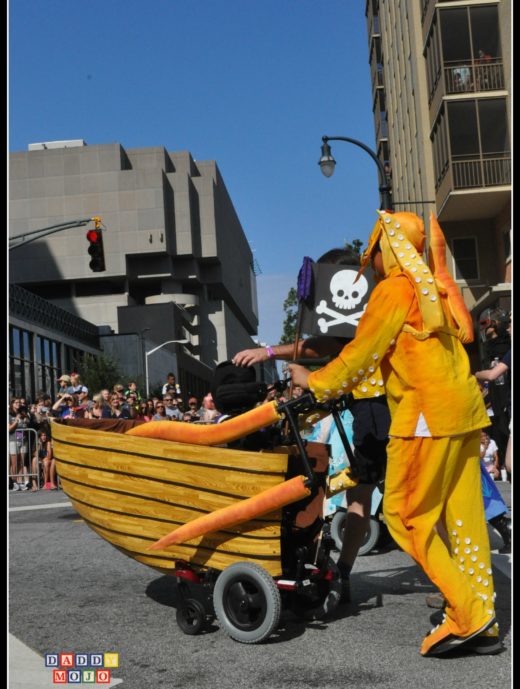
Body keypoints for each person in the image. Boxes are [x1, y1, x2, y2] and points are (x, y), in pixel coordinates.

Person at [289, 211, 500, 657]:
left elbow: (360, 354)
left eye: (376, 251)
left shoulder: (394, 291)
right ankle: (483, 613)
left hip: (425, 415)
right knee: (461, 520)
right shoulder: (435, 290)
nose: (375, 262)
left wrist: (315, 383)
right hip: (462, 411)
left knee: (406, 515)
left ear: (387, 247)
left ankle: (468, 615)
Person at [233, 247, 391, 603]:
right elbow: (324, 344)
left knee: (391, 504)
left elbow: (347, 360)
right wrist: (271, 353)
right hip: (361, 413)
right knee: (355, 493)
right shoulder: (350, 319)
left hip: (383, 412)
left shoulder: (379, 310)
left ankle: (459, 594)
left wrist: (311, 378)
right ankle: (342, 572)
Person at [475, 344, 511, 476]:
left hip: (501, 413)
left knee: (510, 464)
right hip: (497, 414)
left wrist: (475, 374)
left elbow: (492, 375)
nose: (509, 329)